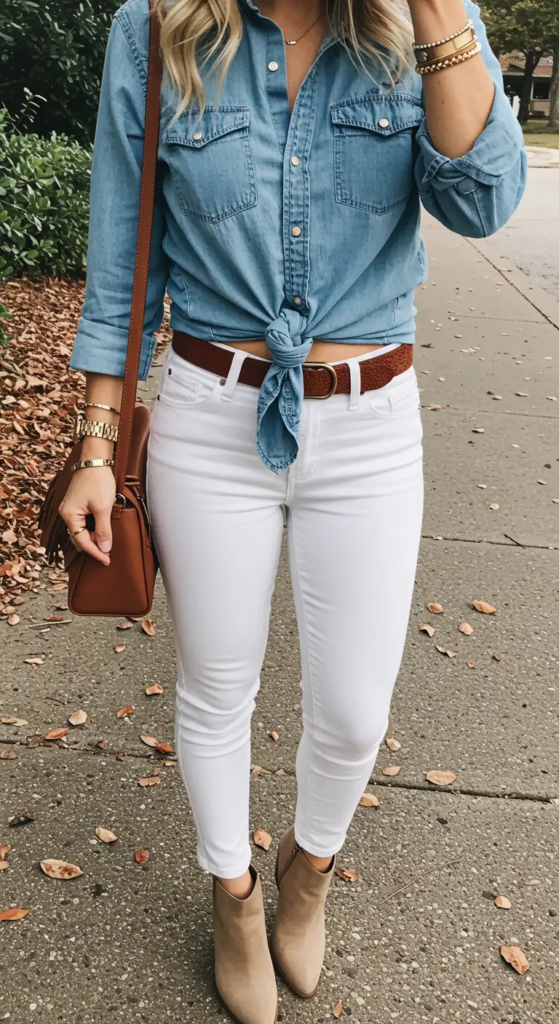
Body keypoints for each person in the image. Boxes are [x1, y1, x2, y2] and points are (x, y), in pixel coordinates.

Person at [59, 0, 526, 1020]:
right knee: (214, 679)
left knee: (356, 706)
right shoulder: (156, 29)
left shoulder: (423, 24)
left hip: (368, 422)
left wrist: (438, 15)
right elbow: (119, 251)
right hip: (207, 414)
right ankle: (231, 890)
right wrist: (98, 445)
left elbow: (485, 199)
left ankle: (306, 873)